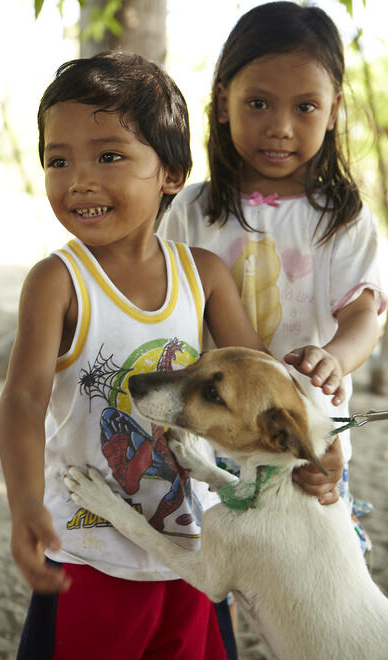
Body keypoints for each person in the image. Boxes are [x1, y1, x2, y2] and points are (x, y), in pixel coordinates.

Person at [0, 50, 274, 660]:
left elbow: (258, 378)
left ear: (171, 173)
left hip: (191, 550)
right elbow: (22, 397)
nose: (80, 179)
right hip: (91, 550)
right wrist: (22, 504)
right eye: (57, 160)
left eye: (109, 155)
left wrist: (313, 396)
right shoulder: (58, 280)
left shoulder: (201, 275)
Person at [158, 1, 386, 555]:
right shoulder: (193, 210)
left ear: (333, 111)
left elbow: (365, 317)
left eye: (305, 106)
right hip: (205, 433)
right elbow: (165, 306)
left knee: (314, 573)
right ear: (221, 105)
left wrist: (334, 356)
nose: (280, 127)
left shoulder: (342, 217)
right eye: (257, 103)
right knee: (212, 565)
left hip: (301, 436)